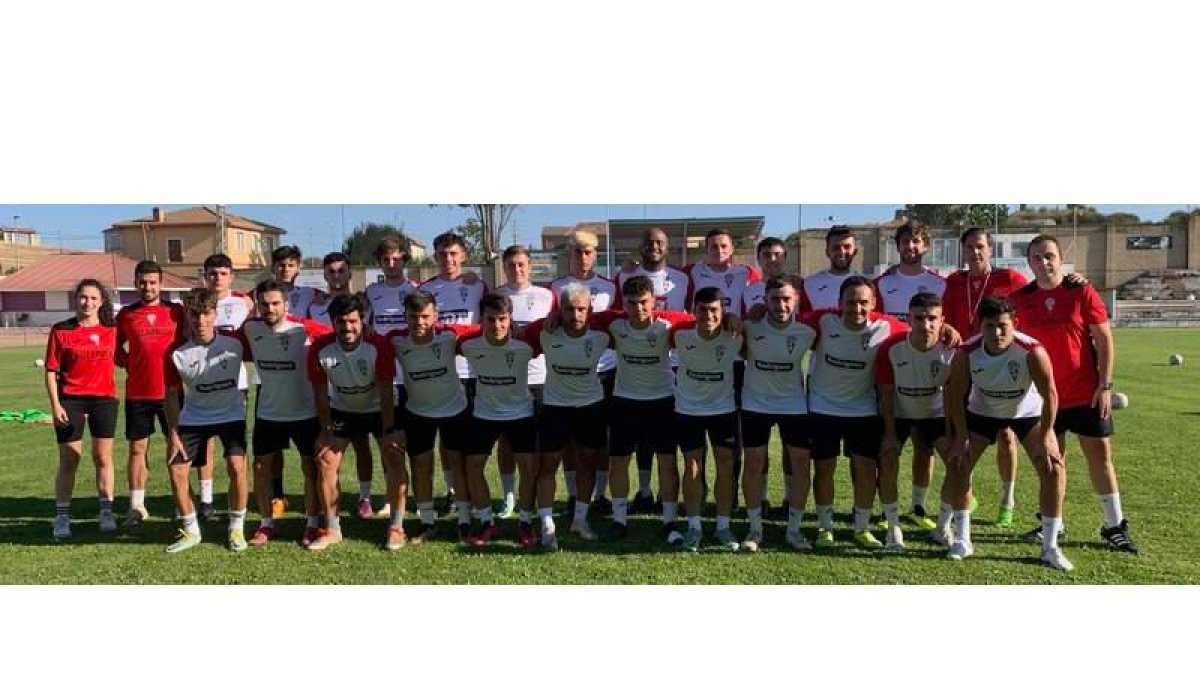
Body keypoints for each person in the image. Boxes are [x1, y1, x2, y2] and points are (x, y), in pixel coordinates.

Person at [1010, 235, 1138, 553]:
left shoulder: (1081, 291)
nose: (1044, 262)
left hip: (1086, 393)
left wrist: (1104, 385)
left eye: (1049, 256)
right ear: (1029, 263)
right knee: (1052, 462)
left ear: (1060, 258)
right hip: (1043, 397)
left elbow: (1104, 340)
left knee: (1100, 458)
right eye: (1037, 258)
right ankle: (1054, 523)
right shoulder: (1020, 299)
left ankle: (1114, 525)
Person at [943, 295, 1072, 571]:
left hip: (1026, 414)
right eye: (989, 326)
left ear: (1015, 322)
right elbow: (955, 397)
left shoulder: (1032, 351)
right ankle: (963, 540)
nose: (996, 333)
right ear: (981, 326)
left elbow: (1050, 396)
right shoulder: (966, 353)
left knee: (1053, 468)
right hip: (982, 413)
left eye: (1002, 325)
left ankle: (1050, 547)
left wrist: (1048, 434)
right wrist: (960, 437)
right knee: (958, 463)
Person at [802, 276, 907, 549]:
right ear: (839, 303)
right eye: (850, 302)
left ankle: (861, 527)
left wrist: (945, 330)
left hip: (863, 409)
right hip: (822, 407)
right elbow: (788, 319)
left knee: (865, 470)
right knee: (824, 469)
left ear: (873, 303)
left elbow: (919, 329)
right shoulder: (823, 321)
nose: (857, 309)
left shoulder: (886, 326)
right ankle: (825, 527)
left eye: (863, 302)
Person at [588, 275, 692, 541]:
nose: (639, 309)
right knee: (619, 461)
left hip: (663, 401)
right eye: (632, 304)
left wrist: (730, 320)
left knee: (667, 462)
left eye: (645, 303)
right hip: (625, 401)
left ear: (654, 301)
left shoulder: (668, 324)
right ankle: (619, 520)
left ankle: (669, 521)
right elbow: (582, 317)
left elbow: (701, 320)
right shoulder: (614, 324)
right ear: (624, 304)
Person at [234, 280, 332, 546]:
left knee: (310, 469)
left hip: (305, 413)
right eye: (264, 304)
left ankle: (312, 524)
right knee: (260, 468)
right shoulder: (250, 329)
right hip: (269, 413)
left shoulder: (304, 328)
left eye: (276, 303)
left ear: (286, 305)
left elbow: (336, 335)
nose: (270, 308)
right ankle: (266, 524)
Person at [941, 228, 1028, 527]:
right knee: (960, 434)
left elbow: (1026, 313)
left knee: (1006, 435)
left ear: (990, 249)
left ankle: (1008, 497)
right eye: (969, 247)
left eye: (980, 247)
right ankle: (967, 494)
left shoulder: (1011, 280)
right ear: (962, 251)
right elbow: (946, 318)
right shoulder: (954, 282)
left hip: (999, 367)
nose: (974, 252)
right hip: (964, 365)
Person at [306, 294, 403, 551]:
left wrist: (390, 431)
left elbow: (384, 392)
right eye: (341, 322)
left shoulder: (378, 345)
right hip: (343, 409)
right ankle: (332, 528)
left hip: (378, 409)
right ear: (332, 322)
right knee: (325, 459)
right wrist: (326, 432)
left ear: (363, 320)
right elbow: (319, 393)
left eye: (352, 321)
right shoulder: (320, 348)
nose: (347, 327)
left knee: (393, 457)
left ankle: (396, 526)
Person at [162, 288, 251, 553]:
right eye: (194, 314)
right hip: (194, 417)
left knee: (237, 466)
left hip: (231, 415)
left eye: (206, 314)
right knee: (176, 469)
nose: (201, 321)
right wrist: (174, 433)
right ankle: (191, 531)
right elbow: (170, 395)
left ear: (215, 313)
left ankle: (236, 527)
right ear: (186, 315)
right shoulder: (176, 352)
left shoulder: (236, 343)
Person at [524, 282, 612, 549]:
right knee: (548, 464)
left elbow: (638, 319)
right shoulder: (544, 330)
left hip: (590, 405)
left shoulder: (603, 333)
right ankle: (547, 523)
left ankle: (580, 520)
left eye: (581, 309)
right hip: (555, 406)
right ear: (560, 309)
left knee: (588, 462)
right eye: (570, 309)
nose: (576, 316)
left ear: (590, 310)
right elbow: (508, 334)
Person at [873, 220, 948, 530]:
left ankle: (918, 504)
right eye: (905, 242)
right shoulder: (883, 282)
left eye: (917, 242)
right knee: (888, 446)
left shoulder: (940, 283)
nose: (911, 247)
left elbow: (945, 321)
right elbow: (874, 317)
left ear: (926, 246)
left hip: (928, 371)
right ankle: (885, 512)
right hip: (893, 365)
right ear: (898, 246)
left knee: (925, 445)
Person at [386, 290, 476, 543]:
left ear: (435, 315)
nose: (420, 323)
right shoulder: (395, 340)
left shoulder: (449, 335)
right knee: (421, 467)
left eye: (425, 316)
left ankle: (465, 520)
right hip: (417, 412)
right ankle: (427, 522)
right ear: (405, 317)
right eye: (413, 317)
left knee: (458, 464)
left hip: (454, 409)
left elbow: (482, 329)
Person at [614, 227, 692, 512]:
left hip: (674, 362)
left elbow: (692, 314)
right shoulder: (625, 276)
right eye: (648, 243)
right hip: (637, 358)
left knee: (666, 440)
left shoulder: (684, 277)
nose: (654, 247)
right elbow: (614, 313)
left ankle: (666, 495)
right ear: (640, 246)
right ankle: (644, 490)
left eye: (659, 242)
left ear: (667, 247)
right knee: (641, 438)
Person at [740, 275, 816, 552]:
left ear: (795, 300)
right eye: (775, 299)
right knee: (754, 462)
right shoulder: (748, 327)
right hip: (755, 403)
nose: (781, 305)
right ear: (765, 301)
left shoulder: (808, 332)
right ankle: (755, 528)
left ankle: (793, 530)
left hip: (793, 405)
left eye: (786, 299)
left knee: (800, 463)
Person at [875, 292, 956, 551]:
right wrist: (888, 434)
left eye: (932, 318)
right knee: (887, 458)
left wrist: (956, 433)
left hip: (936, 415)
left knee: (957, 462)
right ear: (908, 319)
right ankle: (893, 528)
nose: (926, 324)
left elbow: (956, 394)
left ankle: (943, 526)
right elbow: (886, 394)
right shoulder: (892, 347)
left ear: (942, 320)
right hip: (899, 413)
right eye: (919, 318)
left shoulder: (953, 349)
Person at [459, 293, 537, 547]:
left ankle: (525, 522)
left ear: (510, 319)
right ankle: (486, 522)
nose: (497, 325)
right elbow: (444, 330)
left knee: (529, 467)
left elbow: (550, 328)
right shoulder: (468, 344)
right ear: (481, 319)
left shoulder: (526, 345)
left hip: (521, 413)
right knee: (472, 466)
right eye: (491, 319)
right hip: (485, 414)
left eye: (502, 319)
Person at [45, 279, 120, 540]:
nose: (87, 302)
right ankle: (62, 517)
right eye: (83, 297)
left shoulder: (113, 330)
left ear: (101, 302)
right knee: (69, 459)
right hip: (70, 401)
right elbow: (51, 371)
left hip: (104, 400)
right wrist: (55, 405)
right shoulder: (61, 330)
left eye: (93, 298)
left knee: (103, 457)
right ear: (76, 299)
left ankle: (106, 512)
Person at [670, 286, 744, 553]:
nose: (708, 316)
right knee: (692, 468)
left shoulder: (736, 334)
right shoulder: (679, 334)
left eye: (714, 310)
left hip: (722, 409)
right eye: (703, 310)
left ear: (722, 312)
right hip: (688, 410)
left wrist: (737, 317)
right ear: (694, 311)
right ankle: (694, 527)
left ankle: (723, 526)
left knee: (725, 465)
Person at [114, 260, 187, 527]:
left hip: (171, 392)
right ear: (136, 283)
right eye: (143, 282)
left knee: (176, 447)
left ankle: (181, 504)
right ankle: (136, 506)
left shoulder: (176, 312)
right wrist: (128, 362)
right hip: (138, 394)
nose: (148, 287)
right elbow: (116, 348)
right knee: (137, 449)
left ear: (161, 284)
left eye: (153, 282)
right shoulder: (126, 314)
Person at [741, 236, 809, 517]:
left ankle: (789, 504)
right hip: (756, 390)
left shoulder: (800, 288)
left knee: (794, 455)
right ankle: (762, 500)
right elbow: (740, 332)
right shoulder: (748, 292)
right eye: (766, 254)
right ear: (759, 258)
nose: (772, 259)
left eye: (777, 254)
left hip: (793, 394)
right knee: (756, 456)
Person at [550, 231, 617, 517]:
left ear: (596, 254)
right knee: (567, 444)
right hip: (567, 373)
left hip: (604, 368)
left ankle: (599, 494)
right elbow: (550, 323)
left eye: (589, 252)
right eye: (578, 251)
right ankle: (573, 494)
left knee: (600, 440)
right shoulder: (554, 287)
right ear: (569, 254)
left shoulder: (610, 286)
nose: (584, 257)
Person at [419, 231, 486, 515]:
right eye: (443, 254)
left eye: (454, 254)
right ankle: (452, 491)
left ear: (463, 256)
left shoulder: (478, 286)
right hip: (440, 374)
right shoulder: (425, 289)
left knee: (469, 440)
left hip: (472, 372)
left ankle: (470, 490)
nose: (448, 259)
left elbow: (487, 323)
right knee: (446, 441)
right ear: (435, 257)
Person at [359, 237, 417, 519]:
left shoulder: (416, 290)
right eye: (386, 260)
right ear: (379, 263)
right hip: (384, 377)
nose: (392, 265)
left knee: (416, 443)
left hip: (414, 377)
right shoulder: (372, 292)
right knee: (387, 441)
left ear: (405, 260)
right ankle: (390, 497)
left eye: (396, 259)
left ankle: (418, 496)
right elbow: (365, 327)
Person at [497, 245, 556, 520]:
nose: (517, 270)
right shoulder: (494, 296)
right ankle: (509, 497)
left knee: (540, 444)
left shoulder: (546, 295)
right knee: (507, 443)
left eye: (521, 264)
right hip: (507, 380)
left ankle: (536, 496)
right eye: (511, 265)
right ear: (504, 267)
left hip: (540, 378)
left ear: (530, 266)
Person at [195, 254, 255, 522]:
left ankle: (237, 502)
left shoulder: (244, 304)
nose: (216, 278)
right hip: (200, 384)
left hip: (235, 385)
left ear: (231, 276)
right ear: (204, 275)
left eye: (221, 273)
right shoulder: (195, 304)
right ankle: (206, 499)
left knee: (234, 449)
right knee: (204, 444)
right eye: (211, 273)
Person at [803, 225, 858, 311]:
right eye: (836, 248)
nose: (841, 252)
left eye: (847, 247)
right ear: (827, 252)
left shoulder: (869, 284)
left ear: (855, 251)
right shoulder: (810, 284)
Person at [307, 252, 353, 327]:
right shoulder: (315, 309)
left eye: (341, 271)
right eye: (331, 272)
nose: (336, 276)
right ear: (325, 276)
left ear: (350, 274)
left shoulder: (365, 304)